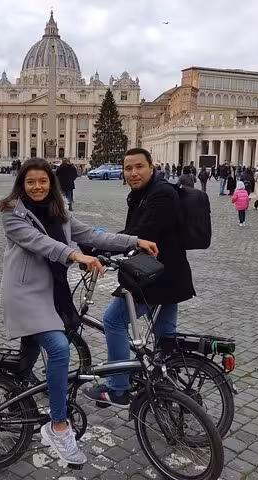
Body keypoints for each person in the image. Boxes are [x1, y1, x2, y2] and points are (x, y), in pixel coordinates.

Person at [0, 157, 157, 465]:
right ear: (21, 185)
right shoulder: (11, 214)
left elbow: (95, 236)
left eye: (43, 181)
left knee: (33, 352)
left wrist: (134, 241)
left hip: (52, 292)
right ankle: (57, 427)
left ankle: (14, 394)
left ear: (52, 183)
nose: (37, 187)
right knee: (58, 349)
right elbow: (41, 243)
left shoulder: (61, 213)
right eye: (31, 182)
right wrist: (76, 256)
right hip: (25, 294)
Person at [84, 147, 195, 408]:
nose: (133, 173)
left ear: (151, 167)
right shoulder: (144, 193)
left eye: (138, 167)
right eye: (128, 168)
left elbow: (140, 233)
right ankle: (165, 390)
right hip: (170, 277)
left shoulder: (161, 195)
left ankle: (118, 388)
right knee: (165, 340)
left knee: (113, 320)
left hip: (154, 278)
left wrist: (100, 246)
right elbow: (136, 234)